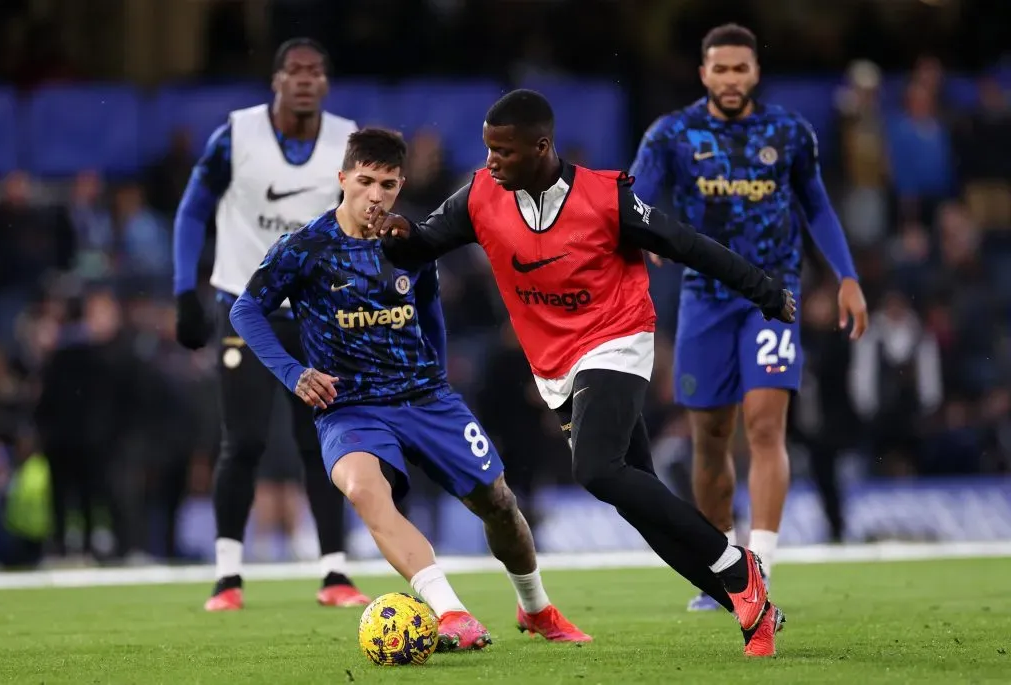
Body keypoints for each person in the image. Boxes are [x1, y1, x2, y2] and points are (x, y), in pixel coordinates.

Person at [369, 89, 795, 658]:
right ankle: (754, 609)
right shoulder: (478, 197)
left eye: (504, 151)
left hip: (617, 338)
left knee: (596, 468)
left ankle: (736, 566)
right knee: (640, 504)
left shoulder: (604, 198)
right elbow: (422, 246)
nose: (492, 161)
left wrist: (764, 291)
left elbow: (686, 244)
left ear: (541, 147)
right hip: (556, 364)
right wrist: (399, 241)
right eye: (488, 149)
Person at [229, 127, 589, 651]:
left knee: (500, 504)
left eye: (389, 185)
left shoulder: (408, 242)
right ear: (343, 179)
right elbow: (246, 309)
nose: (376, 196)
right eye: (366, 181)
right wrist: (294, 372)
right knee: (364, 491)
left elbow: (429, 311)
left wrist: (438, 377)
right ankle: (451, 613)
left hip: (425, 398)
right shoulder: (304, 249)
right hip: (350, 408)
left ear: (400, 185)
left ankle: (536, 608)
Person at [627, 23, 869, 611]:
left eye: (741, 69)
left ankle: (760, 568)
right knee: (709, 439)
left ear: (755, 72)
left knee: (764, 424)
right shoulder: (672, 134)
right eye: (721, 69)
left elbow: (817, 205)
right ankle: (727, 569)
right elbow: (632, 199)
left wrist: (847, 276)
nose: (731, 79)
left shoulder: (788, 133)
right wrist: (644, 232)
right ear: (703, 73)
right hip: (704, 299)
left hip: (774, 296)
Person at [172, 38, 367, 611]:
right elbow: (191, 210)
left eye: (316, 71)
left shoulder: (346, 141)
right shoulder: (236, 135)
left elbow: (361, 221)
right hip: (244, 306)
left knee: (322, 439)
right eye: (294, 70)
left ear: (326, 83)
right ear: (276, 80)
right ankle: (227, 576)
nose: (305, 80)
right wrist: (186, 290)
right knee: (246, 440)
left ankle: (334, 572)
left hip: (315, 312)